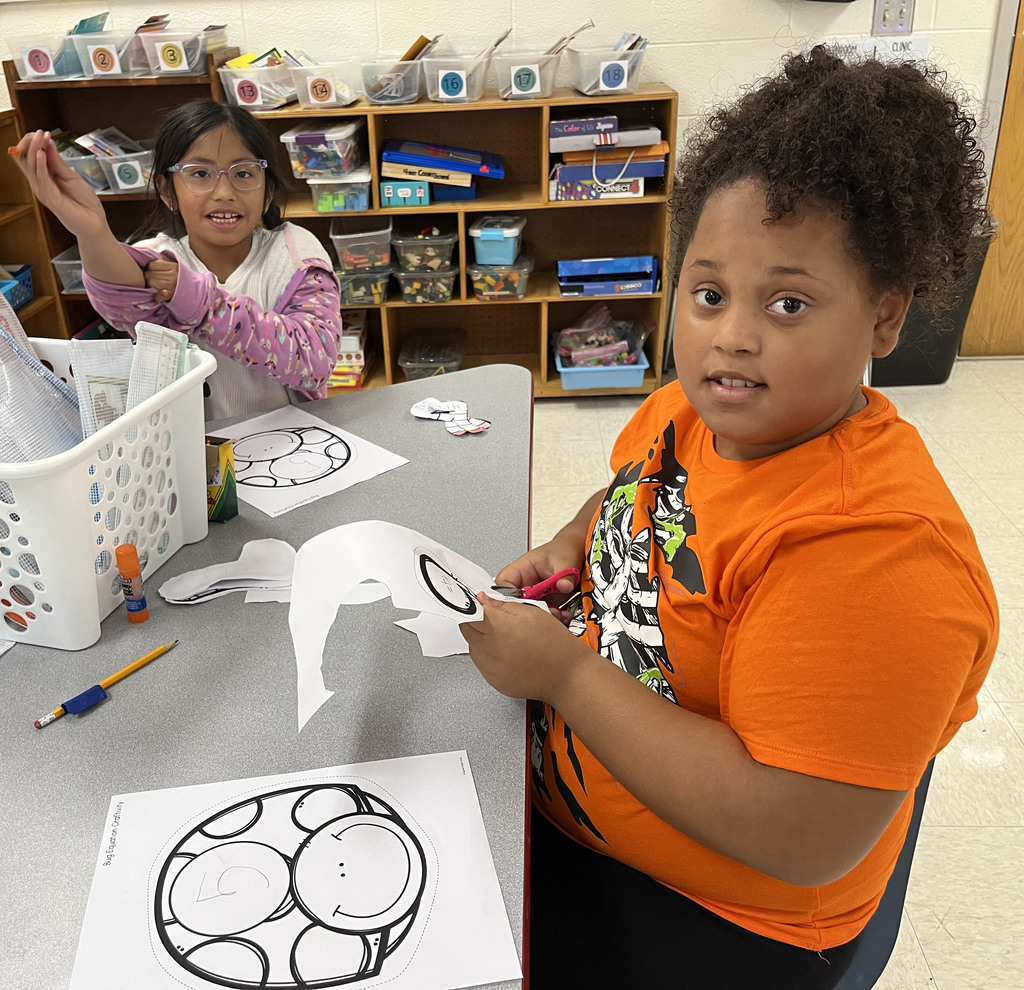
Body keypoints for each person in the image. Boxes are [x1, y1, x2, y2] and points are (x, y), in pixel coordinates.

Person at [463, 46, 999, 990]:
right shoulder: (693, 410)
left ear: (885, 316)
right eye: (708, 294)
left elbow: (798, 834)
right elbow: (633, 493)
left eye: (788, 303)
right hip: (573, 807)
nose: (731, 337)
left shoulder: (872, 555)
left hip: (720, 923)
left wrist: (566, 677)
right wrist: (570, 543)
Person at [12, 100, 342, 420]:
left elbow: (313, 363)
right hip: (193, 446)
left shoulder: (294, 254)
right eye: (200, 173)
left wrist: (199, 302)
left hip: (296, 440)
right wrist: (92, 232)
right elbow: (120, 296)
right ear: (168, 192)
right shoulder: (160, 257)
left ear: (267, 192)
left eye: (243, 173)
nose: (224, 192)